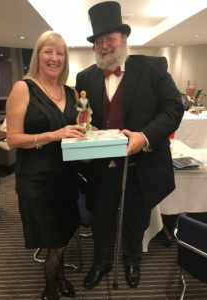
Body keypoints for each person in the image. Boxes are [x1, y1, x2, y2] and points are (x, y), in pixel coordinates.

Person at [75, 1, 184, 290]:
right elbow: (81, 119)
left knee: (136, 219)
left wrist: (144, 137)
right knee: (101, 219)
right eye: (98, 42)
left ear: (124, 39)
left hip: (141, 165)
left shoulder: (153, 68)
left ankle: (132, 260)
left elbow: (173, 109)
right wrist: (84, 134)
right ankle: (102, 262)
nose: (104, 46)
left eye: (109, 39)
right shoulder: (84, 77)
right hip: (100, 167)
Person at [6, 30, 85, 300]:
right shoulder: (23, 88)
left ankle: (60, 278)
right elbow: (13, 138)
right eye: (48, 51)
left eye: (60, 53)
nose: (55, 58)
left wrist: (91, 133)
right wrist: (53, 135)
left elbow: (77, 129)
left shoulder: (71, 91)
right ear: (37, 55)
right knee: (54, 237)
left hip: (66, 176)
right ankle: (49, 291)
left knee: (63, 233)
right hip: (37, 179)